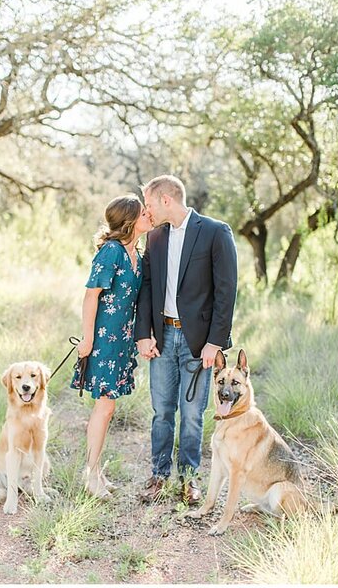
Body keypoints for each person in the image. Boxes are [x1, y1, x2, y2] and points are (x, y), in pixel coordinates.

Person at [135, 175, 238, 504]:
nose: (147, 212)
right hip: (162, 337)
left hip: (198, 341)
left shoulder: (214, 232)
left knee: (192, 414)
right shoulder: (154, 237)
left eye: (149, 204)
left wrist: (215, 342)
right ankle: (159, 475)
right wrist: (143, 334)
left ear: (166, 200)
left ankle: (189, 479)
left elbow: (226, 291)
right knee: (161, 411)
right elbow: (146, 288)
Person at [71, 194, 154, 498]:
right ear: (130, 220)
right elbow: (91, 295)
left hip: (123, 341)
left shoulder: (137, 255)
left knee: (108, 408)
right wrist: (88, 338)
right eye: (144, 212)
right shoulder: (111, 252)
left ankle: (95, 472)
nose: (150, 215)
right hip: (104, 340)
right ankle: (91, 476)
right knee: (104, 408)